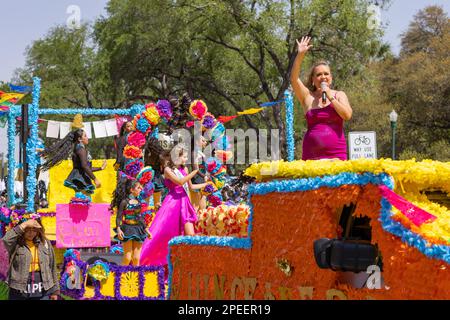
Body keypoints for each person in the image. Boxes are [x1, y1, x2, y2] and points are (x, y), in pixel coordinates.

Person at [140, 144, 208, 267]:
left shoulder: (184, 170)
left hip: (185, 202)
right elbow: (180, 182)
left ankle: (190, 263)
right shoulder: (167, 170)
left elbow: (191, 187)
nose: (186, 159)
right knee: (165, 233)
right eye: (184, 157)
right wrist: (196, 171)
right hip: (173, 204)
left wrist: (206, 185)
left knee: (191, 235)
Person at [290, 36, 353, 161]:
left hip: (336, 154)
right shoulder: (307, 97)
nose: (323, 77)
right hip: (311, 155)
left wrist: (330, 96)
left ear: (331, 77)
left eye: (326, 73)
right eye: (318, 74)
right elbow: (294, 79)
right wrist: (300, 55)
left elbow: (347, 115)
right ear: (313, 79)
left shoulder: (339, 95)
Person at [1, 214, 60, 300]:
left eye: (34, 230)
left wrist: (55, 291)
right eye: (27, 229)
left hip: (42, 289)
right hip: (19, 289)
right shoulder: (15, 243)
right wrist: (24, 224)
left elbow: (52, 267)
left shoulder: (45, 243)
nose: (31, 233)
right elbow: (5, 240)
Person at [41, 129, 107, 198]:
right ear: (79, 139)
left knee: (82, 201)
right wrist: (95, 179)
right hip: (81, 179)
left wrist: (100, 168)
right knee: (83, 201)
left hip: (79, 177)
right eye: (85, 136)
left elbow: (85, 168)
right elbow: (84, 166)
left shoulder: (78, 149)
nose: (87, 138)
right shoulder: (81, 150)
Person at [111, 179, 151, 266]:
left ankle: (137, 277)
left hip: (138, 229)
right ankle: (121, 276)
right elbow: (119, 217)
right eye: (138, 188)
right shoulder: (124, 202)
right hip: (127, 229)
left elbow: (140, 217)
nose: (141, 189)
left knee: (136, 258)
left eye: (141, 187)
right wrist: (118, 229)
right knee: (127, 257)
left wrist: (146, 229)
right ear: (131, 190)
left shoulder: (139, 202)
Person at [191, 135, 209, 211]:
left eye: (205, 141)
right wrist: (204, 175)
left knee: (203, 199)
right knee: (196, 204)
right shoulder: (195, 152)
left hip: (202, 177)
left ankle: (201, 219)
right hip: (197, 178)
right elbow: (195, 168)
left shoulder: (200, 152)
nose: (205, 142)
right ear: (197, 142)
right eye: (203, 141)